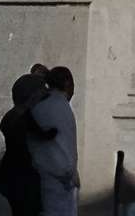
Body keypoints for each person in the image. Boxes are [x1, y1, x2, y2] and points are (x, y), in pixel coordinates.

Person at [28, 68, 79, 216]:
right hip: (57, 182)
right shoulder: (59, 107)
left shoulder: (43, 105)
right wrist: (70, 174)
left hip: (47, 179)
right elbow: (62, 149)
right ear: (67, 83)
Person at [0, 76, 46, 216]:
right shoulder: (23, 118)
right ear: (32, 95)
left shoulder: (12, 116)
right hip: (22, 179)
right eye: (41, 91)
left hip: (13, 176)